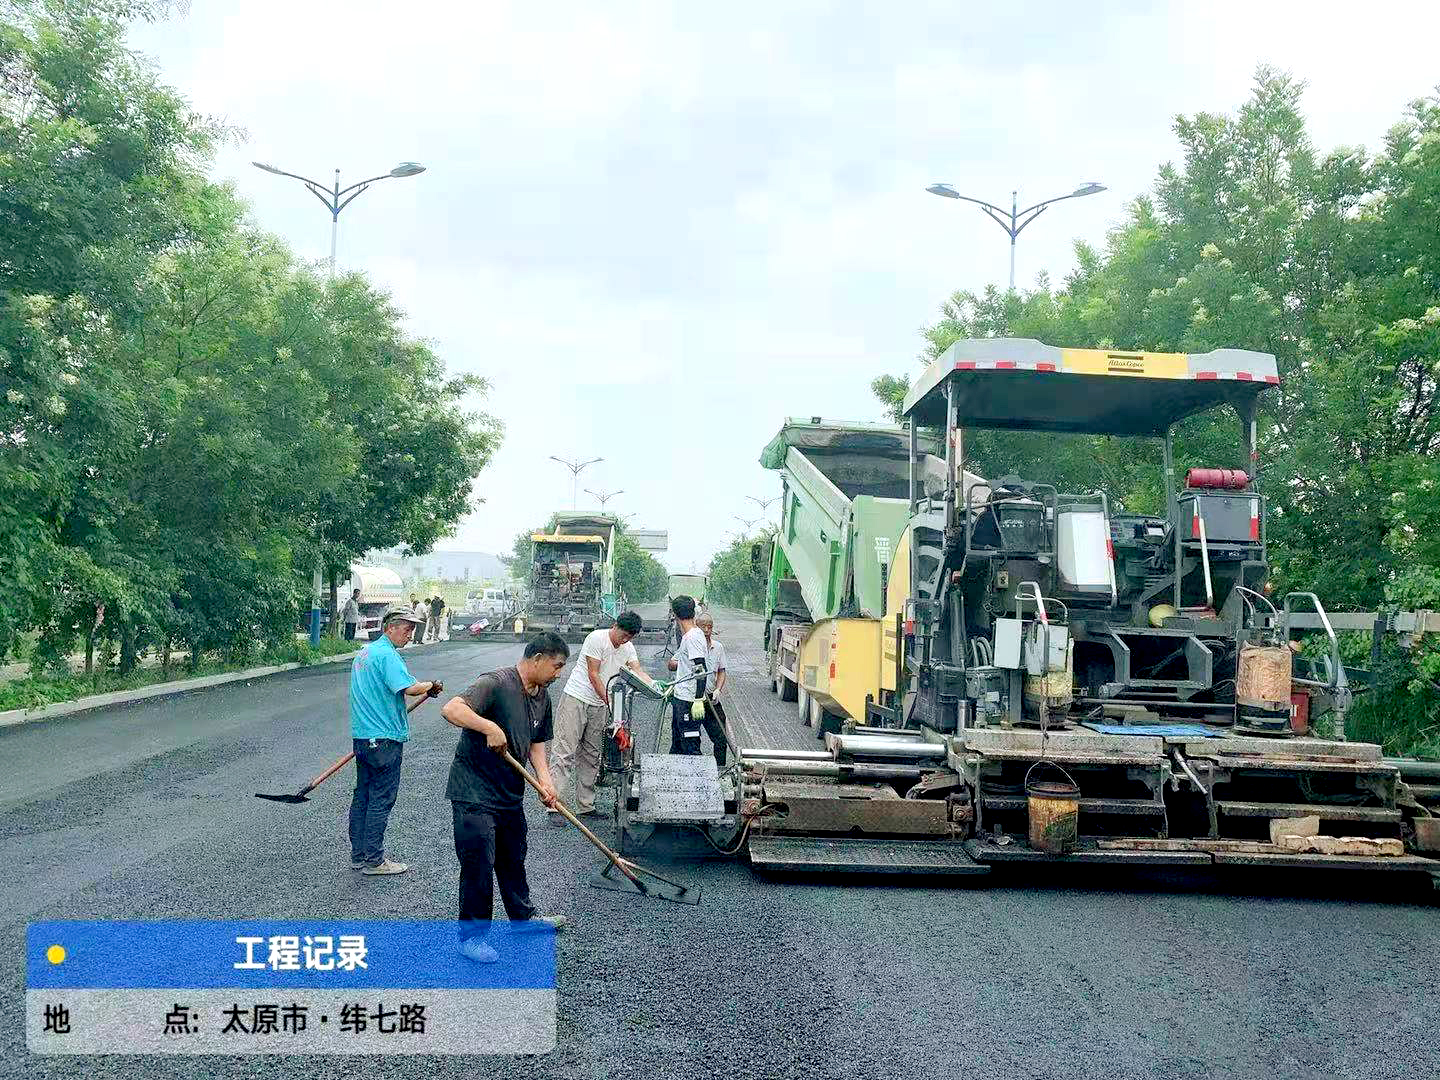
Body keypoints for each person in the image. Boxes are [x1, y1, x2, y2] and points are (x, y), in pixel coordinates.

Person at [440, 632, 572, 963]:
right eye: (556, 666)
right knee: (478, 864)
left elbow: (537, 743)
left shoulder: (542, 695)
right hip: (474, 791)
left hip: (509, 793)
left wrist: (545, 781)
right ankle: (471, 938)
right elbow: (451, 708)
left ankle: (523, 921)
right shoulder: (496, 682)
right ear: (538, 658)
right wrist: (487, 726)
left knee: (513, 858)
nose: (558, 673)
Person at [348, 608, 441, 876]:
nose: (410, 635)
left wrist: (423, 687)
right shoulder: (387, 655)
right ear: (390, 628)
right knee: (380, 798)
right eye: (406, 629)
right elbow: (408, 688)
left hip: (364, 737)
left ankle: (359, 855)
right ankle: (374, 861)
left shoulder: (365, 653)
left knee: (363, 797)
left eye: (412, 630)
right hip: (385, 739)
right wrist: (430, 685)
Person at [548, 611, 655, 826]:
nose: (625, 640)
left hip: (600, 705)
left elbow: (637, 671)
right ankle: (554, 806)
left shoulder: (628, 647)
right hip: (576, 699)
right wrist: (610, 702)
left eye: (630, 637)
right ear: (615, 626)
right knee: (564, 752)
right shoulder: (596, 638)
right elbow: (594, 675)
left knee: (591, 754)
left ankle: (586, 806)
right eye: (623, 635)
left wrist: (655, 686)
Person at [666, 595, 709, 755]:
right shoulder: (690, 636)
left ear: (674, 614)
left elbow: (700, 668)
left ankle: (697, 778)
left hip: (689, 701)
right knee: (677, 745)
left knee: (690, 747)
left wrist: (698, 699)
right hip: (681, 698)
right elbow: (687, 666)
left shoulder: (692, 637)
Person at [696, 612, 730, 767]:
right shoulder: (691, 644)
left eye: (709, 626)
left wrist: (718, 689)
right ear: (697, 627)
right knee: (691, 738)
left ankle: (720, 770)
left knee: (721, 737)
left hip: (711, 698)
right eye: (703, 626)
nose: (706, 629)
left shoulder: (718, 647)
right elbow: (672, 663)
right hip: (694, 700)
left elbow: (722, 670)